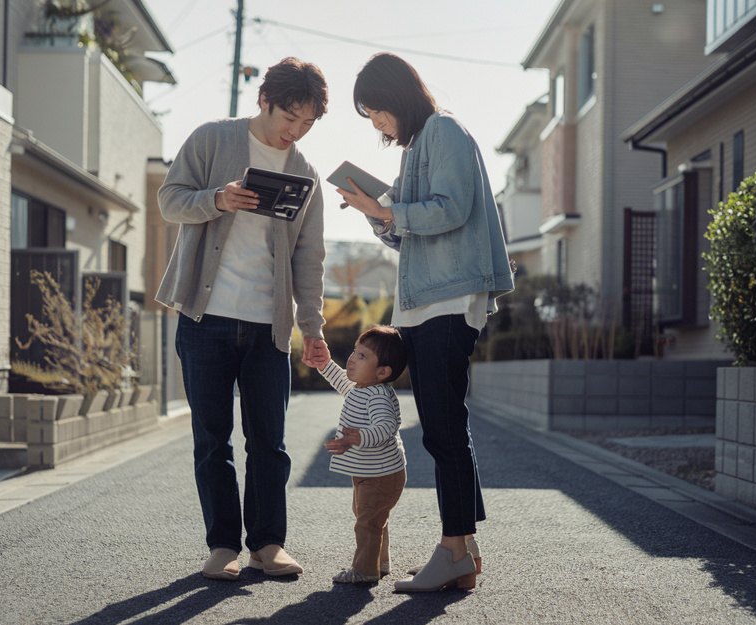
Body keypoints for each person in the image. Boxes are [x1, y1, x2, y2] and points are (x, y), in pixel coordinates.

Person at [336, 52, 514, 592]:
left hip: (447, 300)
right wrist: (375, 211)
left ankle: (454, 549)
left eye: (375, 111)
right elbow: (407, 231)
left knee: (443, 431)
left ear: (396, 96)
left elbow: (453, 208)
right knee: (444, 429)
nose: (376, 124)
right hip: (422, 302)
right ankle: (465, 552)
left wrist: (391, 211)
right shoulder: (417, 149)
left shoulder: (444, 130)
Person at [155, 57, 331, 581]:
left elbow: (309, 258)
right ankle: (222, 545)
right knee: (213, 439)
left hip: (267, 326)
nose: (293, 133)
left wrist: (314, 328)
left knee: (270, 444)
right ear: (264, 101)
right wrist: (217, 199)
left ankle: (268, 544)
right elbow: (169, 201)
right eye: (289, 119)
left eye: (306, 125)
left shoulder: (304, 174)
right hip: (204, 318)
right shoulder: (212, 139)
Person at [317, 325, 408, 584]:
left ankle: (364, 570)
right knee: (371, 517)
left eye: (362, 356)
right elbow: (341, 381)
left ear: (382, 372)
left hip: (381, 474)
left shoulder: (377, 396)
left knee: (367, 521)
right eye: (355, 352)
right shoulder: (362, 388)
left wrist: (357, 437)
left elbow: (387, 426)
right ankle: (379, 562)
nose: (352, 359)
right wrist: (325, 364)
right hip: (372, 471)